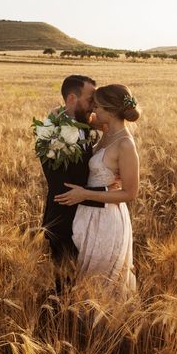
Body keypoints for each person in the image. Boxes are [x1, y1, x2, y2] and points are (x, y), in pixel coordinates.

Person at [55, 84, 140, 302]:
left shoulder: (125, 144)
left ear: (110, 111)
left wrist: (86, 194)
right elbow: (63, 114)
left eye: (99, 106)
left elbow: (130, 193)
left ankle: (106, 333)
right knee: (86, 281)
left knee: (103, 286)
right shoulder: (107, 130)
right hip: (89, 213)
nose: (94, 110)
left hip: (108, 220)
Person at [39, 75, 113, 296]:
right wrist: (109, 194)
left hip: (88, 219)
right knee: (65, 288)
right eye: (91, 99)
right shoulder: (52, 135)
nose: (95, 105)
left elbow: (114, 123)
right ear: (72, 98)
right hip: (65, 221)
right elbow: (64, 189)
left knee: (87, 286)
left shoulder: (84, 124)